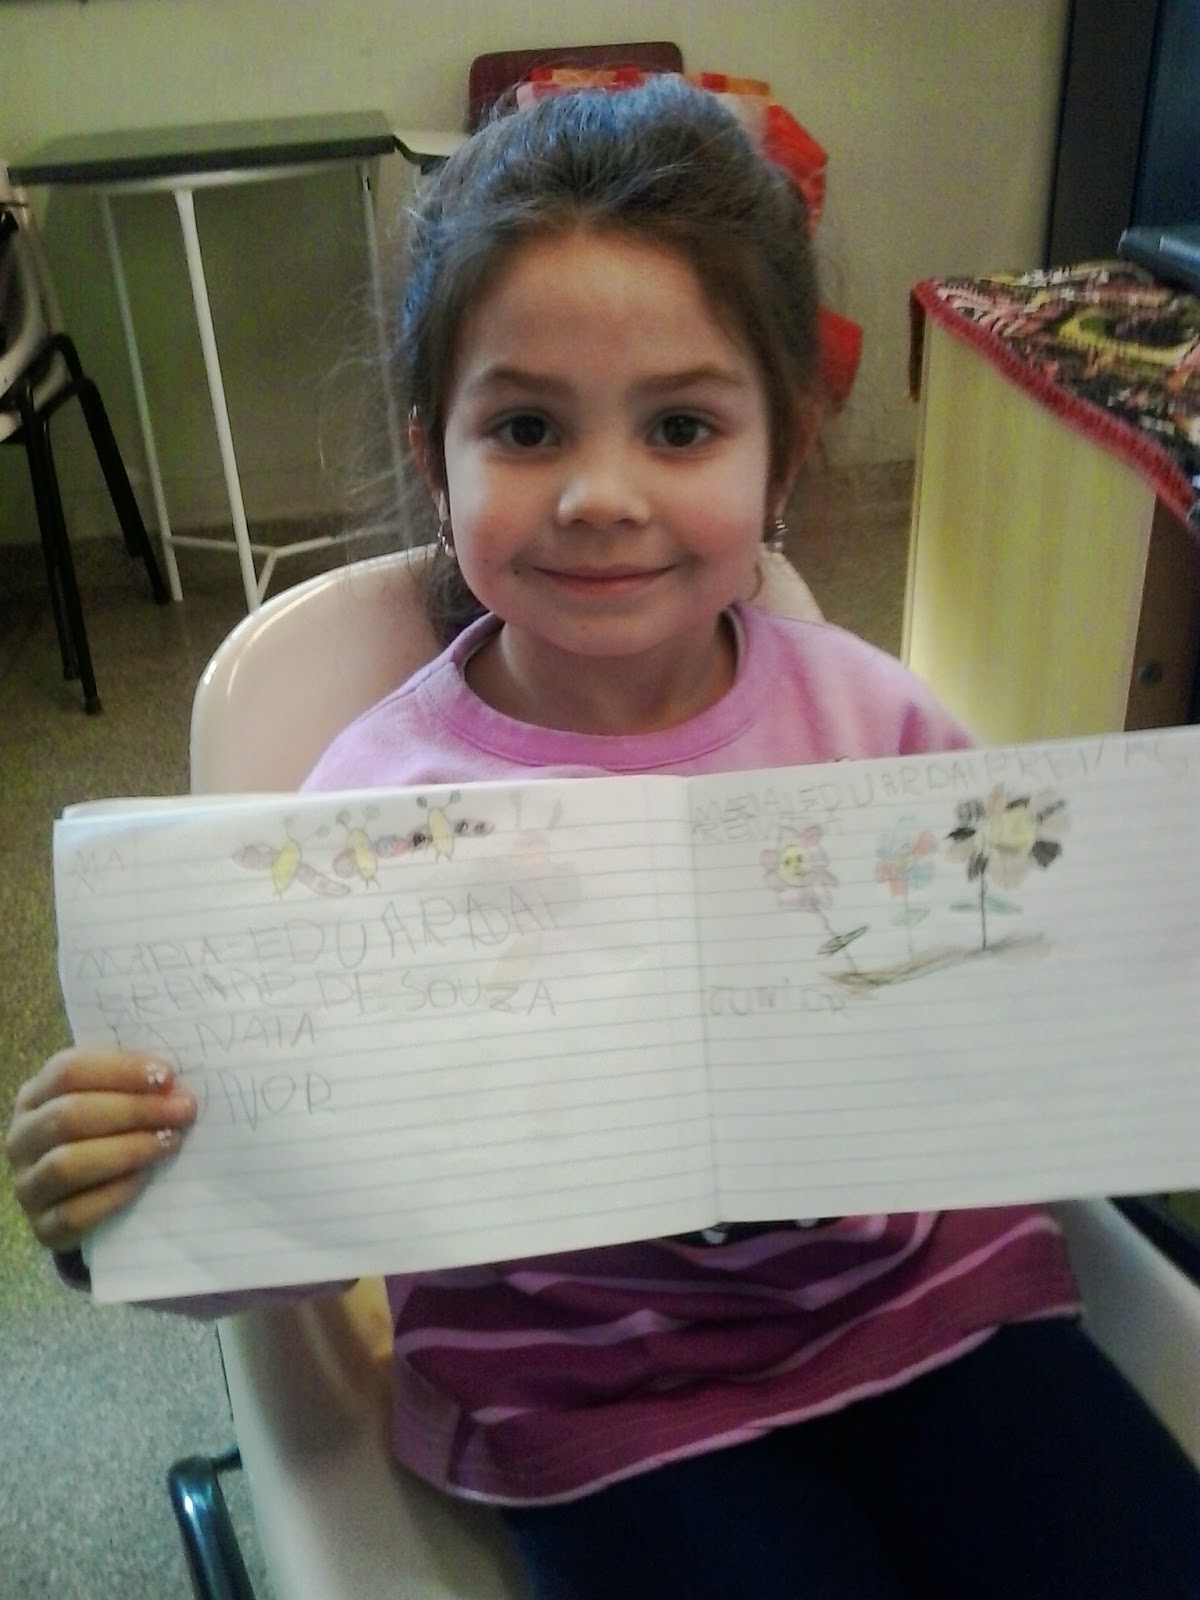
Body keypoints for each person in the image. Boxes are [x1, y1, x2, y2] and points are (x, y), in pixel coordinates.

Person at [6, 78, 1199, 1600]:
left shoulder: (871, 720)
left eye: (682, 426)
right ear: (434, 459)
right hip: (591, 1401)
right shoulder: (371, 817)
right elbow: (288, 1221)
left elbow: (1021, 1028)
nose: (600, 495)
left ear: (784, 453)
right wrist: (124, 1203)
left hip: (937, 1306)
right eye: (525, 427)